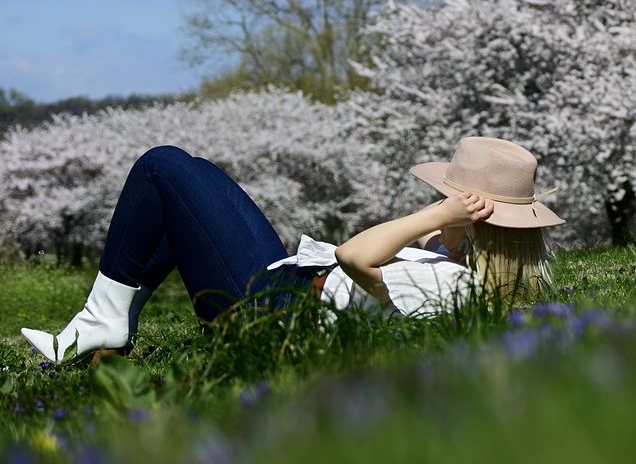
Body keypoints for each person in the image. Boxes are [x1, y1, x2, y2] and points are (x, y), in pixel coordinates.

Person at [20, 135, 563, 365]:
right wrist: (447, 233)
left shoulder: (454, 288)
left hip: (269, 314)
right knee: (193, 179)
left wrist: (437, 216)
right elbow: (417, 255)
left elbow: (355, 256)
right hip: (286, 283)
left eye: (448, 200)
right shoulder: (461, 271)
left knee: (162, 167)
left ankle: (101, 324)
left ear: (475, 220)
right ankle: (104, 328)